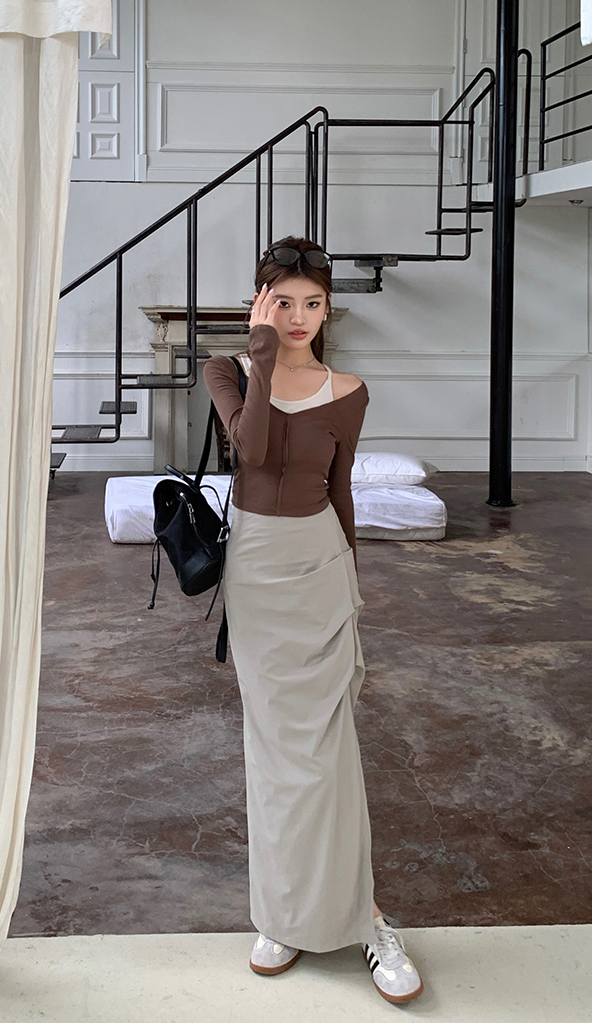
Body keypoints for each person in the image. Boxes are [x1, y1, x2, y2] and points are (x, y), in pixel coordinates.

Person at [202, 236, 424, 1005]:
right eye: (283, 302)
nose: (298, 317)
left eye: (312, 303)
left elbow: (340, 490)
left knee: (330, 755)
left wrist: (352, 582)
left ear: (329, 308)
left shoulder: (349, 389)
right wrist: (261, 354)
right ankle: (283, 915)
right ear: (260, 304)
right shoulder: (227, 371)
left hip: (322, 569)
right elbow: (255, 451)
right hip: (259, 573)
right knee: (273, 754)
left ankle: (367, 919)